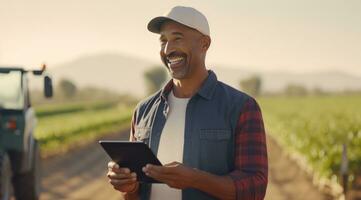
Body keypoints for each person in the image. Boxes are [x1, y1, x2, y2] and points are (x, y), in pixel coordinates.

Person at [107, 6, 268, 200]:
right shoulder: (143, 111)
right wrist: (128, 186)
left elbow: (255, 189)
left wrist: (195, 180)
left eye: (177, 38)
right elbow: (134, 195)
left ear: (204, 44)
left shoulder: (242, 107)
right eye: (163, 41)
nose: (168, 49)